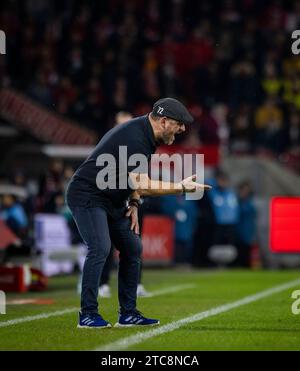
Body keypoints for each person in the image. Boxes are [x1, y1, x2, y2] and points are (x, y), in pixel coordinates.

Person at [66, 97, 211, 329]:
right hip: (88, 195)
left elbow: (133, 178)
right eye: (180, 123)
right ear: (164, 121)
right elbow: (143, 184)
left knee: (133, 248)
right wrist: (181, 187)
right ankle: (88, 314)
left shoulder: (144, 133)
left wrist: (133, 203)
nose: (183, 129)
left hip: (111, 197)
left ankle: (128, 313)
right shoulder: (135, 138)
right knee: (101, 247)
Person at [99, 111, 150, 298]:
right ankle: (102, 283)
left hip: (133, 202)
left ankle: (136, 283)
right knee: (105, 244)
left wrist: (136, 199)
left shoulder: (139, 146)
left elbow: (140, 178)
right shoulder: (108, 145)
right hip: (111, 201)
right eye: (122, 124)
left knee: (135, 244)